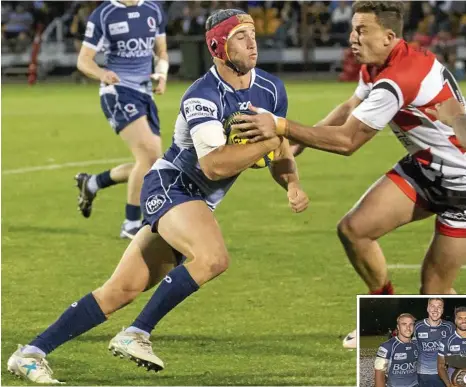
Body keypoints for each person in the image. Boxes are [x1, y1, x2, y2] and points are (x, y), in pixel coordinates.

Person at [6, 9, 308, 384]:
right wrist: (274, 138)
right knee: (213, 258)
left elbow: (279, 154)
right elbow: (214, 166)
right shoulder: (203, 95)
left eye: (253, 35)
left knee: (120, 290)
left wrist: (291, 183)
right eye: (241, 36)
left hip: (198, 202)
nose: (252, 42)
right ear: (217, 46)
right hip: (172, 187)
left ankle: (30, 353)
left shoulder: (272, 89)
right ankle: (136, 333)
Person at [232, 0, 466, 295]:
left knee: (434, 291)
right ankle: (384, 312)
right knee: (355, 231)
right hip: (425, 166)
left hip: (460, 183)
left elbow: (347, 142)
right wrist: (296, 143)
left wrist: (281, 126)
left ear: (388, 37)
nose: (352, 38)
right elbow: (350, 107)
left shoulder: (397, 79)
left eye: (361, 30)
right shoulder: (382, 63)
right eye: (353, 29)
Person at [75, 0, 169, 239]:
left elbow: (161, 51)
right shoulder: (104, 14)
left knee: (151, 164)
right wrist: (101, 73)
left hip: (144, 93)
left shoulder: (154, 10)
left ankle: (93, 183)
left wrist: (162, 74)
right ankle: (130, 224)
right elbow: (84, 60)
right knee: (148, 158)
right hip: (117, 91)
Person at [414, 298, 455, 387]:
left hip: (443, 374)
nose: (435, 310)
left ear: (443, 310)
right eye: (432, 306)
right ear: (427, 308)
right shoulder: (417, 326)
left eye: (439, 307)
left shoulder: (449, 326)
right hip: (422, 374)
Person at [375, 313, 419, 387]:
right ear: (398, 327)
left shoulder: (416, 344)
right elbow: (379, 375)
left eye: (411, 324)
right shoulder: (387, 346)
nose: (408, 328)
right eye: (404, 324)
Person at [437, 306, 466, 387]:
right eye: (460, 318)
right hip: (454, 381)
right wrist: (449, 384)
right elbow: (440, 366)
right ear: (455, 320)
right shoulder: (446, 341)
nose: (463, 321)